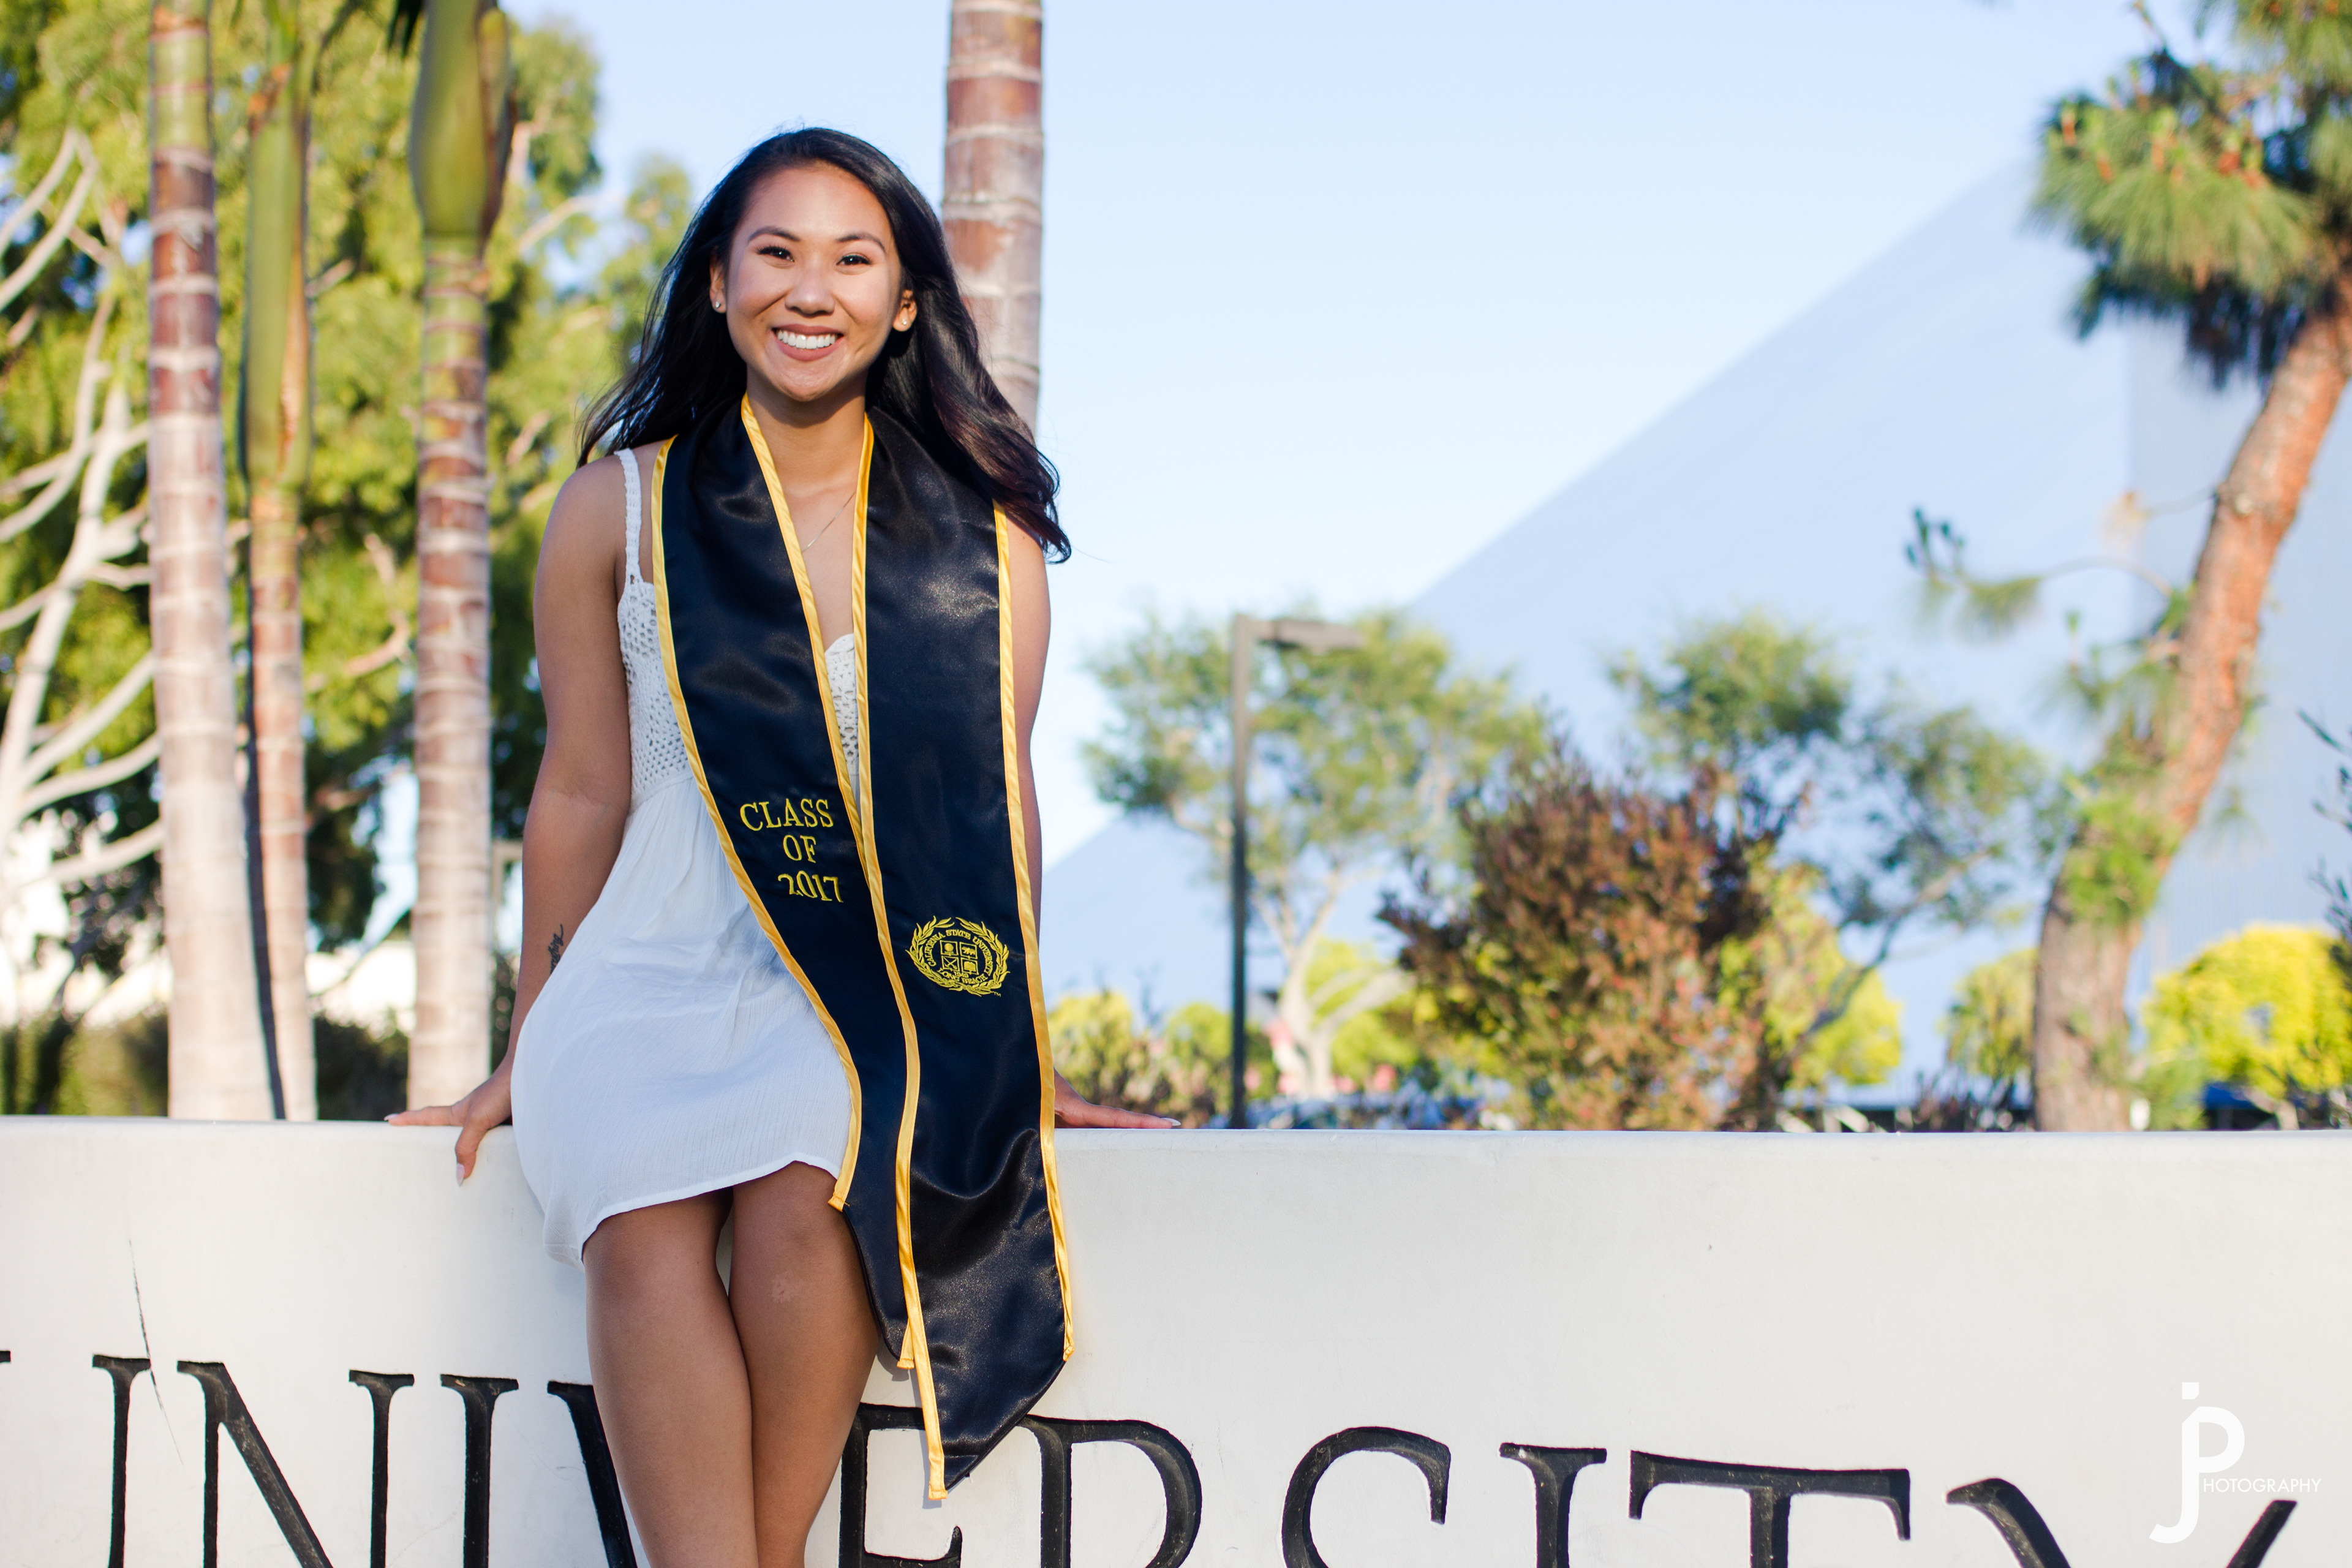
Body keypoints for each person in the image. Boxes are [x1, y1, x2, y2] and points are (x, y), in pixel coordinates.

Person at [393, 129, 1168, 1567]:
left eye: (853, 258)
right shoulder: (618, 508)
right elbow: (581, 791)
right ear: (717, 283)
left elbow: (993, 805)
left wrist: (1012, 1045)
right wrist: (529, 1035)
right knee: (635, 1210)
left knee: (816, 1185)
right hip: (642, 961)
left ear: (906, 302)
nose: (812, 289)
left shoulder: (976, 547)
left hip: (856, 978)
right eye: (777, 252)